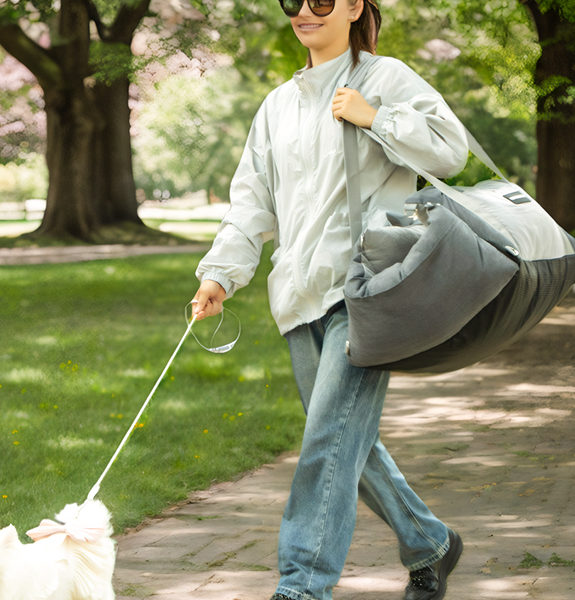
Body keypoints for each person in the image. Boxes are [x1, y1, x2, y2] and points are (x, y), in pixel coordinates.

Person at [190, 0, 466, 598]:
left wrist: (379, 119)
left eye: (320, 1)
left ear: (354, 6)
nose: (304, 12)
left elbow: (451, 151)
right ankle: (431, 543)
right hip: (297, 296)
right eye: (294, 1)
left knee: (326, 444)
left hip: (364, 292)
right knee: (347, 444)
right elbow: (251, 202)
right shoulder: (276, 107)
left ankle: (301, 586)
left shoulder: (384, 78)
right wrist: (221, 274)